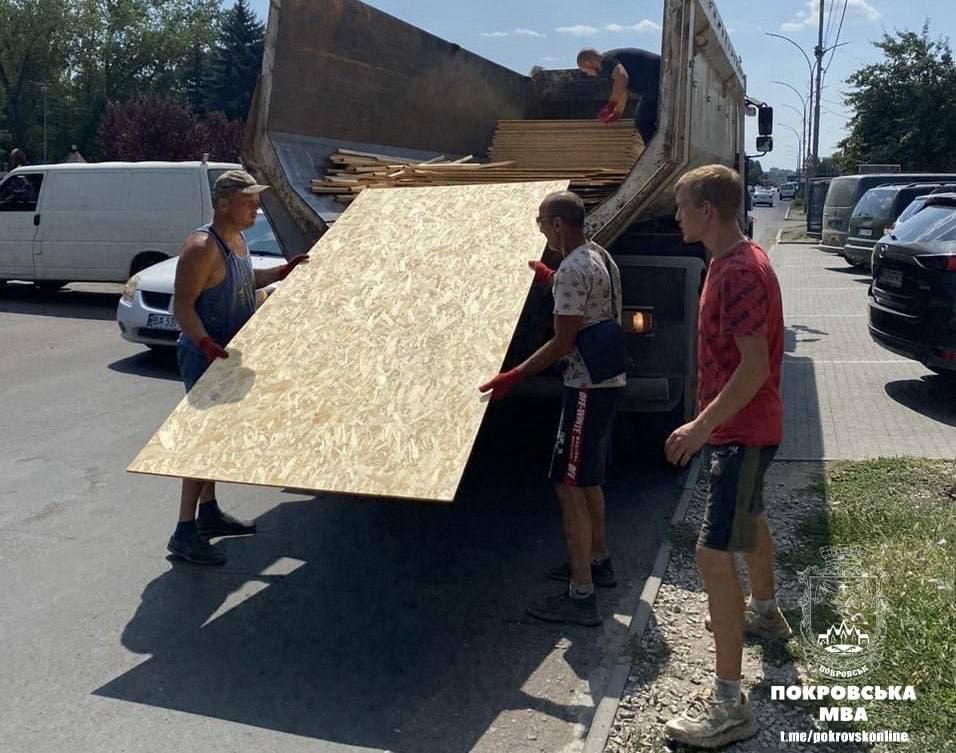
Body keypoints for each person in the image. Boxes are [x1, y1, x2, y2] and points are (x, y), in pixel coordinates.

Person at [662, 164, 788, 748]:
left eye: (682, 206)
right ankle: (764, 612)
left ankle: (729, 705)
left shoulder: (738, 270)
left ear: (707, 210)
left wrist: (700, 425)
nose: (677, 215)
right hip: (751, 428)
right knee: (751, 517)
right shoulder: (735, 259)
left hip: (741, 431)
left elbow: (755, 366)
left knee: (712, 554)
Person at [479, 190, 626, 627]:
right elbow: (591, 303)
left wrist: (514, 376)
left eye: (541, 221)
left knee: (566, 484)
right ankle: (599, 561)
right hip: (609, 381)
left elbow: (563, 343)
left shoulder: (573, 269)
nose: (539, 228)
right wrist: (550, 277)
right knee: (588, 479)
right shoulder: (597, 255)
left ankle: (581, 596)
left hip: (584, 387)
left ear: (559, 224)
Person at [168, 169, 310, 565]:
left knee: (216, 440)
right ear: (223, 204)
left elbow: (246, 279)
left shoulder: (238, 239)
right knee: (201, 442)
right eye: (249, 200)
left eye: (256, 199)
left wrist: (281, 272)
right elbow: (183, 306)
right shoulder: (201, 246)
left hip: (227, 358)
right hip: (205, 356)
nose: (256, 206)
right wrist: (206, 344)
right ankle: (183, 531)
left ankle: (209, 514)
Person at [577, 47, 661, 144]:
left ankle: (657, 153)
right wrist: (617, 112)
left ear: (588, 63)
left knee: (643, 121)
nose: (588, 74)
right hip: (655, 83)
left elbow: (622, 77)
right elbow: (622, 89)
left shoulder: (605, 62)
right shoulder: (610, 60)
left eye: (585, 71)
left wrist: (611, 104)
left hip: (658, 81)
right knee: (645, 118)